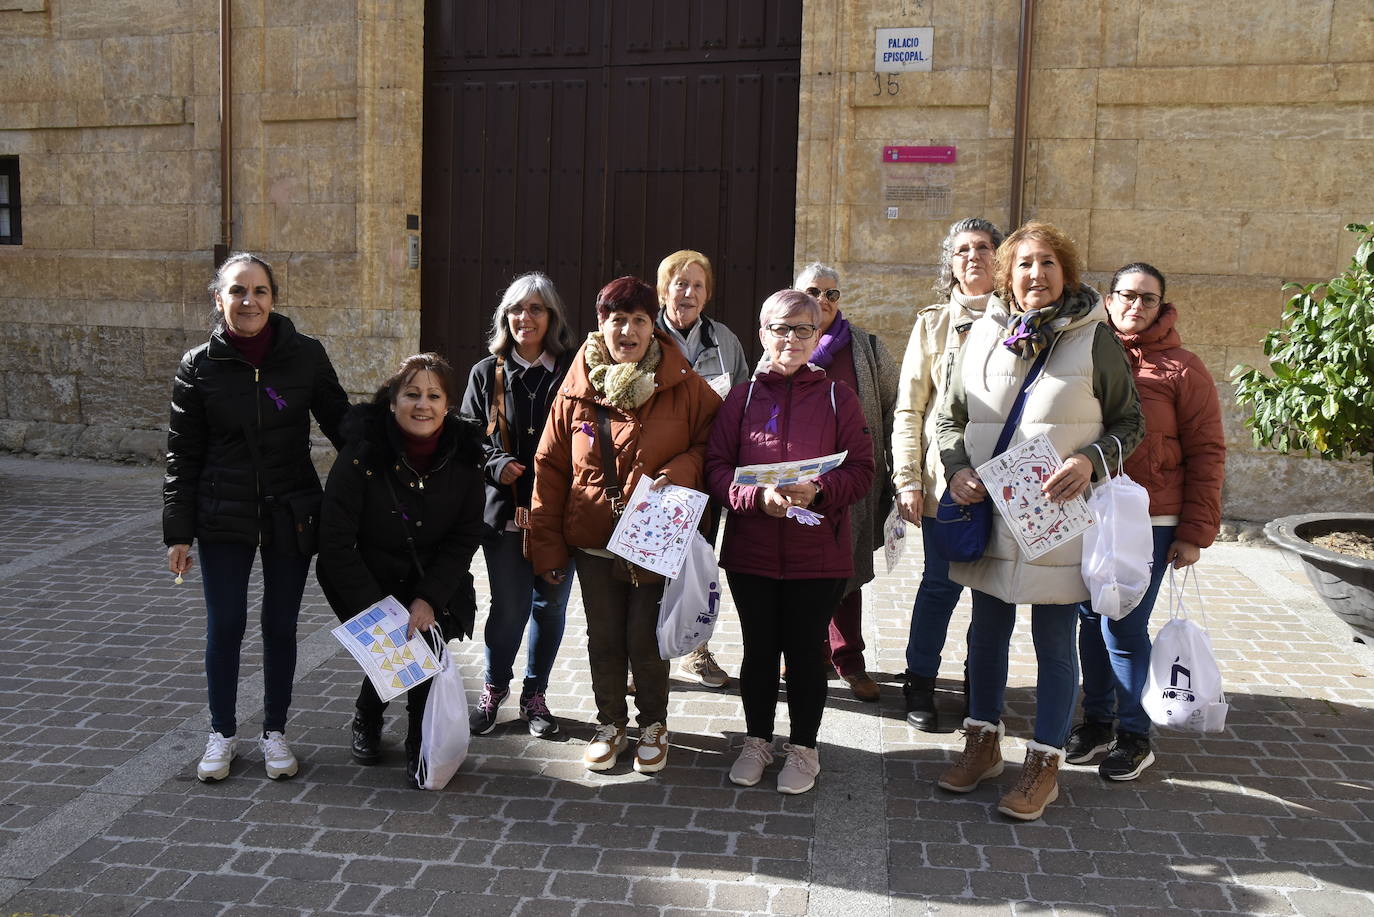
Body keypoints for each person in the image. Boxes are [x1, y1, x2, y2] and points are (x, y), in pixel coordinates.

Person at [935, 221, 1144, 821]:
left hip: (1058, 516)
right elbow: (947, 419)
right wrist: (954, 470)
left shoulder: (1095, 339)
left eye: (1048, 262)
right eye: (1024, 264)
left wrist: (1090, 461)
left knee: (1055, 644)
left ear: (1067, 272)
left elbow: (1131, 424)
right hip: (990, 512)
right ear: (1007, 275)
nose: (1036, 274)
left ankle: (1044, 764)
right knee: (987, 632)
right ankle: (982, 743)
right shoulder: (979, 336)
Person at [164, 252, 349, 783]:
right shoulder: (198, 365)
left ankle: (274, 732)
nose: (249, 302)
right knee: (225, 625)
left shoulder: (305, 356)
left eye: (260, 291)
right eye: (238, 292)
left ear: (274, 298)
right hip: (223, 514)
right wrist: (177, 531)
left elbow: (343, 426)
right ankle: (221, 733)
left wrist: (401, 440)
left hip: (291, 510)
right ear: (218, 299)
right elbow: (182, 455)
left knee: (279, 625)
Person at [529, 276, 720, 774]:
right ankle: (610, 723)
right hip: (593, 542)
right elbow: (549, 469)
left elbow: (713, 446)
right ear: (601, 325)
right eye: (618, 320)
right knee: (604, 637)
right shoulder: (575, 391)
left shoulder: (684, 385)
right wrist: (546, 548)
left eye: (638, 320)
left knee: (645, 637)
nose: (629, 331)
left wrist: (679, 472)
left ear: (653, 324)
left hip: (652, 542)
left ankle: (653, 725)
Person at [707, 289, 875, 794]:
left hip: (818, 553)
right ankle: (757, 740)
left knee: (804, 653)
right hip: (752, 551)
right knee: (759, 651)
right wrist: (753, 498)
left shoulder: (837, 396)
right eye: (781, 328)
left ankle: (804, 748)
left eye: (804, 329)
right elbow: (716, 468)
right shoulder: (742, 398)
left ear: (818, 334)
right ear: (762, 334)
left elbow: (863, 470)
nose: (792, 338)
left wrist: (819, 490)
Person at [1064, 262, 1225, 780]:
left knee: (1123, 623)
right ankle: (1098, 723)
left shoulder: (1182, 368)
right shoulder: (1085, 352)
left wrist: (1195, 533)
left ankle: (1135, 735)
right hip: (1091, 511)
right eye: (1127, 296)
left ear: (1162, 306)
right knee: (1089, 620)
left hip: (1154, 518)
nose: (1136, 306)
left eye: (1148, 299)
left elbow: (1208, 451)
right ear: (1108, 299)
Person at [317, 353, 485, 787]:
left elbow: (464, 537)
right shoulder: (362, 453)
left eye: (433, 395)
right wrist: (379, 611)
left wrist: (428, 597)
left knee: (422, 653)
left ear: (448, 405)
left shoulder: (465, 458)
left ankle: (418, 741)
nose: (422, 405)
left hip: (431, 575)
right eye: (411, 394)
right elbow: (335, 541)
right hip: (364, 575)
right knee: (391, 649)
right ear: (393, 401)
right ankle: (368, 716)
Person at [892, 218, 1004, 731]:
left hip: (1006, 482)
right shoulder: (933, 324)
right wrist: (909, 479)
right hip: (946, 483)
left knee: (994, 593)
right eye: (963, 250)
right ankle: (920, 681)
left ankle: (981, 690)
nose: (974, 256)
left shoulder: (1022, 320)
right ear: (950, 262)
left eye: (984, 247)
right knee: (940, 585)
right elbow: (910, 409)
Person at [460, 272, 578, 738]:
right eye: (516, 309)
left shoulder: (573, 368)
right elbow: (469, 436)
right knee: (509, 607)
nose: (524, 318)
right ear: (504, 317)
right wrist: (496, 462)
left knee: (549, 607)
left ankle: (536, 695)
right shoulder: (485, 371)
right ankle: (495, 687)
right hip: (504, 513)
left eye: (535, 308)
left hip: (558, 514)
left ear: (552, 317)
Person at [793, 263, 898, 702]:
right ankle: (805, 651)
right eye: (813, 291)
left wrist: (897, 475)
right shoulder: (784, 342)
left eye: (832, 294)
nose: (823, 300)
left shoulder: (868, 349)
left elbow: (896, 408)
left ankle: (849, 658)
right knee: (799, 570)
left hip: (852, 480)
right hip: (798, 481)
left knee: (847, 570)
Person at [654, 249, 752, 690]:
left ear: (707, 294)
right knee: (648, 567)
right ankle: (645, 655)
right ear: (664, 290)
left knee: (698, 564)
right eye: (680, 283)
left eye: (697, 285)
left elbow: (745, 401)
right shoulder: (644, 333)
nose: (688, 292)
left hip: (708, 472)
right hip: (655, 474)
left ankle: (695, 647)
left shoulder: (724, 340)